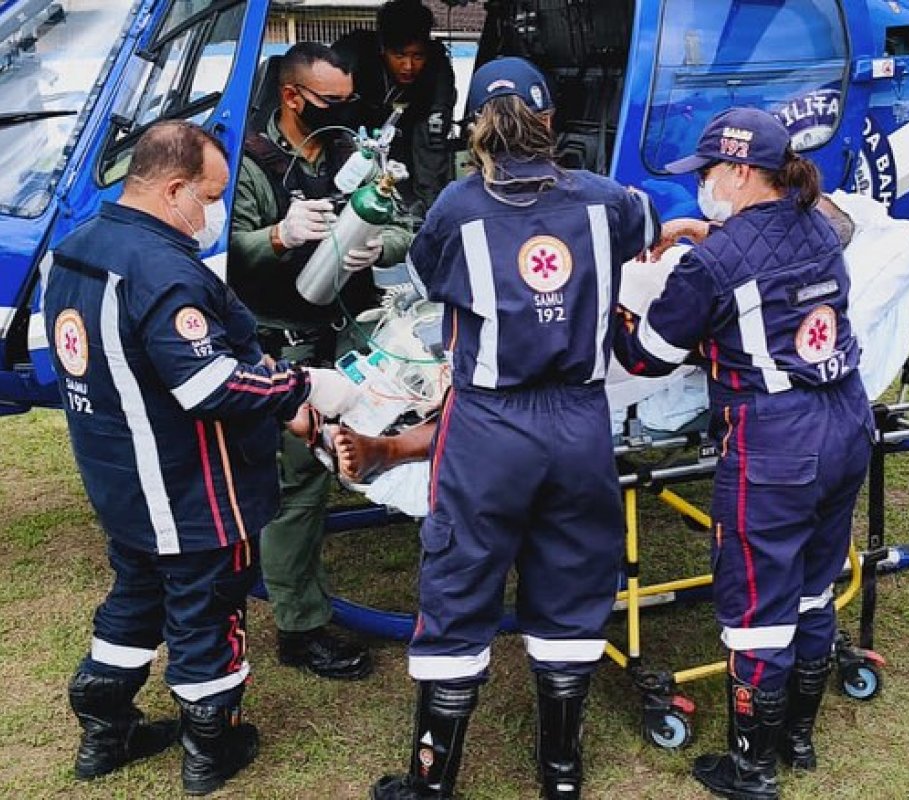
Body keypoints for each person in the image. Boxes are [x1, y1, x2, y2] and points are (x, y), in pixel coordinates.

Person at [368, 56, 659, 800]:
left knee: (460, 577)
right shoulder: (606, 201)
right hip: (580, 419)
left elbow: (428, 278)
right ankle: (561, 774)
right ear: (551, 120)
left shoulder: (456, 208)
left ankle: (432, 781)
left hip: (491, 424)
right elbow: (653, 220)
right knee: (573, 575)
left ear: (475, 126)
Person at [42, 120, 359, 795]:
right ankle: (211, 746)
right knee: (207, 611)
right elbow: (205, 384)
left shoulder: (76, 249)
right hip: (190, 487)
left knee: (135, 595)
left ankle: (104, 730)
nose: (211, 214)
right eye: (210, 198)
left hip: (119, 477)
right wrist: (300, 386)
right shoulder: (161, 269)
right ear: (174, 189)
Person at [614, 108, 872, 800]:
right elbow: (773, 257)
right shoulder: (819, 222)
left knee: (757, 609)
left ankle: (752, 769)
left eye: (707, 172)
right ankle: (797, 739)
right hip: (846, 420)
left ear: (737, 170)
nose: (702, 184)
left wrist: (613, 303)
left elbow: (646, 357)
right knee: (813, 585)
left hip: (776, 441)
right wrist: (713, 235)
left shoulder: (714, 264)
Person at [229, 42, 415, 682]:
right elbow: (225, 252)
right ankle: (301, 628)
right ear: (291, 96)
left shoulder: (350, 153)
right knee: (299, 485)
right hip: (286, 345)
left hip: (352, 339)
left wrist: (380, 245)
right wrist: (279, 236)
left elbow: (406, 222)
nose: (345, 111)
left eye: (349, 99)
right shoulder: (249, 164)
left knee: (377, 445)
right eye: (331, 102)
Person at [335, 0, 457, 217]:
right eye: (399, 56)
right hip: (356, 144)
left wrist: (430, 212)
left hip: (410, 148)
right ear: (382, 47)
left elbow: (432, 143)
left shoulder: (437, 72)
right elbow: (336, 128)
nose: (408, 66)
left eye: (417, 56)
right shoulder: (354, 62)